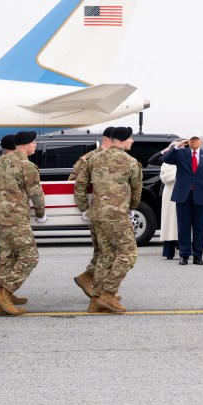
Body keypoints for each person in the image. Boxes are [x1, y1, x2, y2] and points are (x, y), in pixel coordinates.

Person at [74, 125, 142, 312]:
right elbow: (136, 191)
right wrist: (131, 207)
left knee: (106, 255)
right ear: (120, 141)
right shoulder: (130, 162)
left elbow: (79, 183)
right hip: (117, 216)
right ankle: (108, 294)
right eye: (130, 138)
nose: (132, 141)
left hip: (97, 215)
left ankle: (95, 300)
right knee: (129, 254)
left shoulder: (93, 159)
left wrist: (84, 207)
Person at [0, 131, 47, 314]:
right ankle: (5, 292)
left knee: (7, 258)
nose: (35, 146)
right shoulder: (27, 166)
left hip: (1, 217)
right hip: (17, 219)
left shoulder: (0, 162)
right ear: (25, 145)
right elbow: (36, 194)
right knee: (30, 257)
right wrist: (41, 213)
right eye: (33, 143)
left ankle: (2, 303)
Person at [69, 126, 113, 298]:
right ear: (111, 139)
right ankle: (98, 287)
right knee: (105, 250)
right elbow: (73, 182)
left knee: (106, 250)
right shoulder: (90, 158)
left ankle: (90, 279)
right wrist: (84, 208)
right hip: (98, 211)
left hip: (112, 211)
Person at [161, 134, 203, 265]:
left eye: (196, 139)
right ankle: (184, 255)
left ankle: (198, 255)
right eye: (191, 139)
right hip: (183, 195)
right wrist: (177, 146)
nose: (194, 142)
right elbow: (165, 158)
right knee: (183, 226)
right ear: (188, 141)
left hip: (200, 195)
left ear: (200, 141)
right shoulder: (181, 153)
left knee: (199, 227)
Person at [159, 152, 179, 260]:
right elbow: (165, 177)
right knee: (170, 224)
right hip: (170, 195)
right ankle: (169, 252)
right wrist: (178, 173)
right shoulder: (166, 163)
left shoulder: (185, 160)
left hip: (183, 193)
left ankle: (185, 251)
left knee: (183, 224)